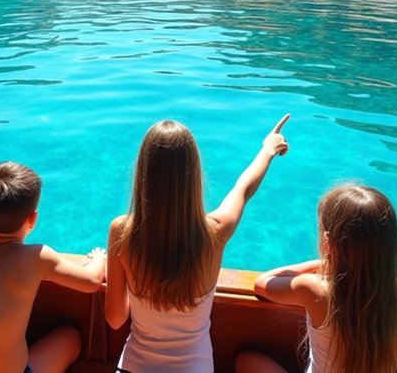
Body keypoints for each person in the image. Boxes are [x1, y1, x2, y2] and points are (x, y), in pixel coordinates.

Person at [105, 115, 291, 373]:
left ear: (144, 173)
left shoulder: (122, 232)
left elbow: (115, 320)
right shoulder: (215, 233)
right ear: (193, 176)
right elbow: (243, 189)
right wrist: (268, 150)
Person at [0, 161, 107, 373]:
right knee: (71, 336)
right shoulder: (36, 257)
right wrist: (99, 258)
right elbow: (92, 282)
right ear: (33, 218)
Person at [236, 183, 397, 373]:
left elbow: (263, 283)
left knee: (246, 360)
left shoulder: (316, 290)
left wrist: (323, 263)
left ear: (327, 243)